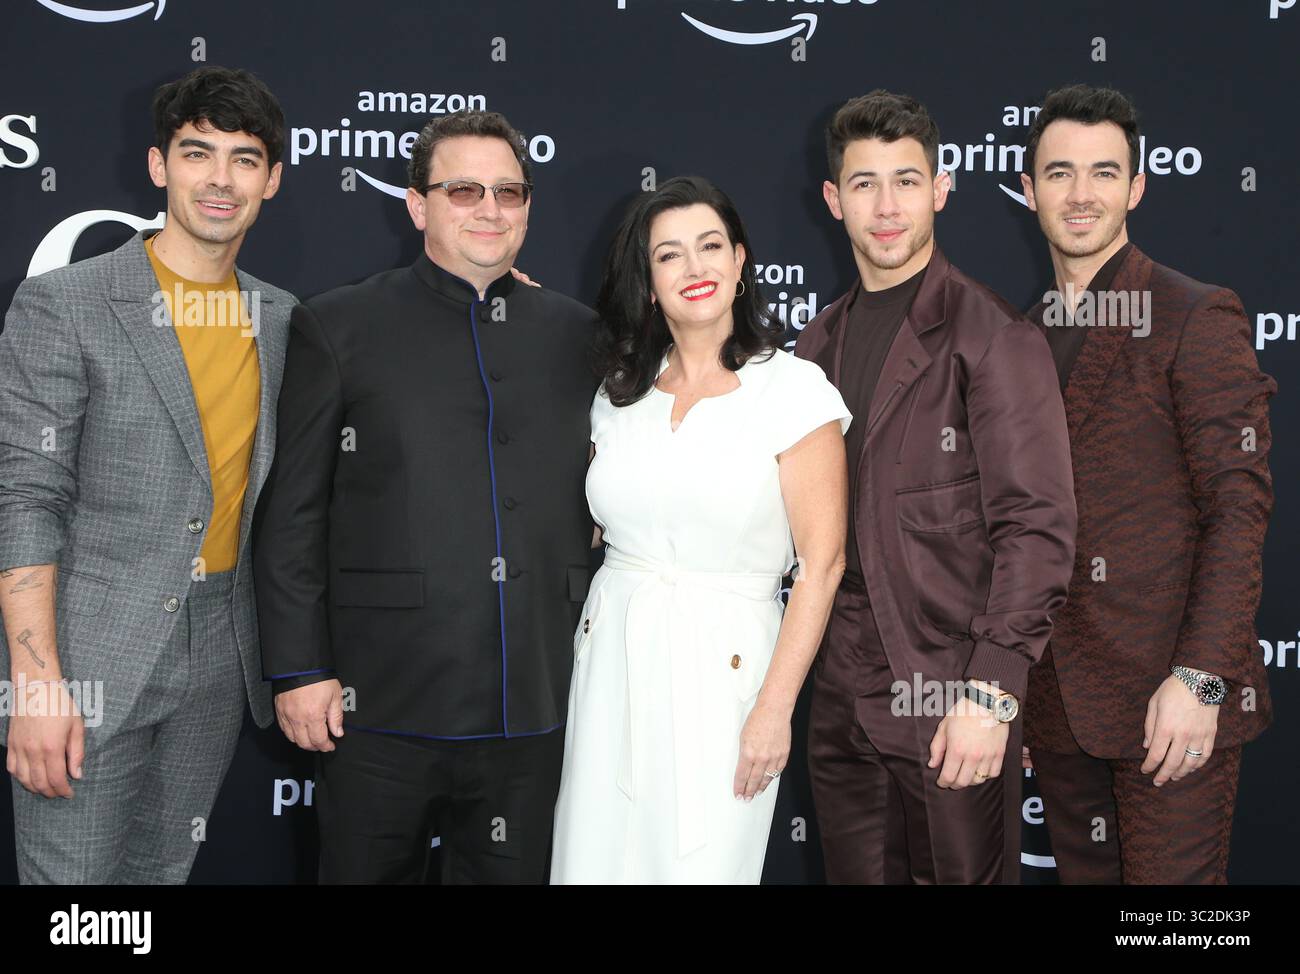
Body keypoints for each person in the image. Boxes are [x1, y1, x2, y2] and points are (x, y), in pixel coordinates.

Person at [253, 110, 598, 884]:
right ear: (417, 206)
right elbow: (294, 515)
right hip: (378, 709)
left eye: (509, 192)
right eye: (465, 190)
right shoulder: (338, 324)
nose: (490, 209)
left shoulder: (581, 336)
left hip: (534, 707)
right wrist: (300, 669)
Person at [0, 66, 292, 883]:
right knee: (75, 899)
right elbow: (25, 496)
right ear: (160, 166)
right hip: (88, 652)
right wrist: (36, 682)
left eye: (244, 158)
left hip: (220, 656)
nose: (220, 178)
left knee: (158, 880)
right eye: (198, 153)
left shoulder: (286, 321)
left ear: (271, 180)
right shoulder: (66, 305)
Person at [795, 91, 1077, 884]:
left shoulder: (991, 335)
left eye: (906, 182)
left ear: (941, 189)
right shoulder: (813, 345)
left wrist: (992, 690)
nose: (886, 207)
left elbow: (1038, 526)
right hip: (840, 698)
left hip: (950, 690)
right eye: (864, 184)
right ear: (832, 199)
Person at [550, 176, 851, 884]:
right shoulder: (616, 394)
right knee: (592, 859)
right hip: (611, 664)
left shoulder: (794, 390)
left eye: (711, 246)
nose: (696, 268)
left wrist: (774, 710)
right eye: (671, 255)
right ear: (647, 282)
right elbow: (596, 527)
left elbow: (823, 564)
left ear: (742, 262)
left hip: (732, 676)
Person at [1018, 84, 1274, 884]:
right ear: (1028, 190)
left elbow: (1238, 510)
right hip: (1058, 707)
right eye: (1060, 172)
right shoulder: (1019, 339)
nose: (1081, 193)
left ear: (1136, 188)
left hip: (1173, 699)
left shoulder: (1195, 315)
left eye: (1103, 172)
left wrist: (1200, 679)